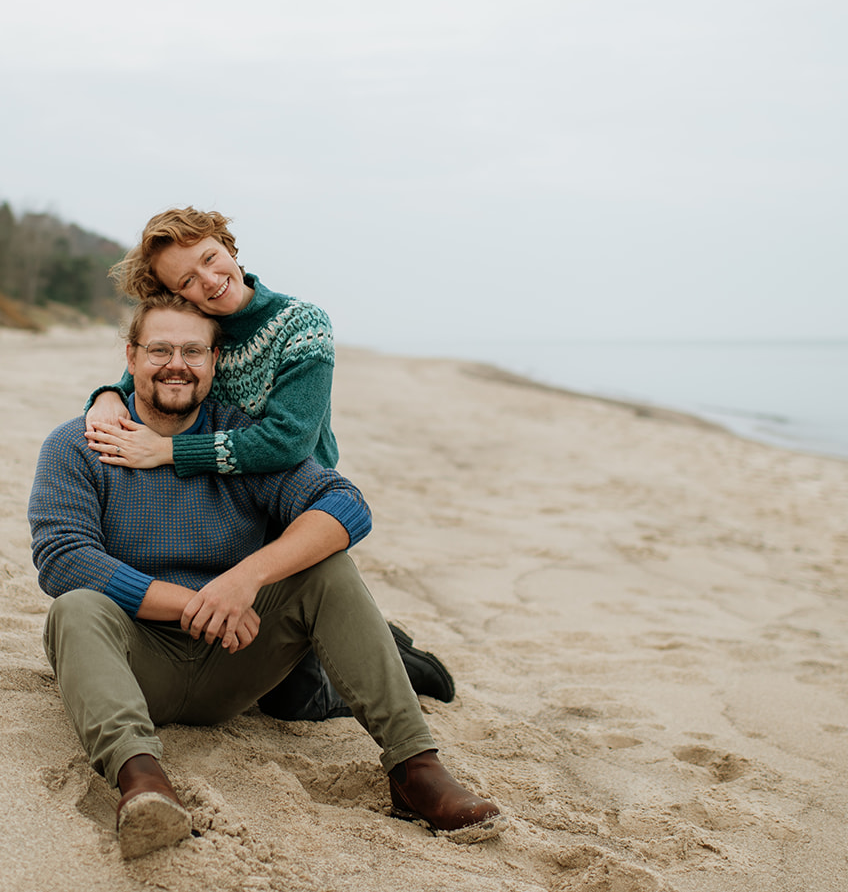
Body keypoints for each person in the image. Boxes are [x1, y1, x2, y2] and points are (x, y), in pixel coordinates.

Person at [30, 293, 505, 859]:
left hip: (238, 657)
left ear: (214, 361)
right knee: (75, 608)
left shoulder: (237, 445)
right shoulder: (77, 444)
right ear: (130, 357)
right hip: (136, 662)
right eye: (159, 349)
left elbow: (346, 506)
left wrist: (245, 578)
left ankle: (415, 770)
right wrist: (192, 604)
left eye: (192, 350)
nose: (175, 363)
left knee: (325, 567)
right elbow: (62, 557)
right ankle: (144, 784)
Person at [82, 207, 453, 721]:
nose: (210, 281)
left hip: (292, 511)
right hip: (229, 515)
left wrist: (171, 451)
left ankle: (403, 662)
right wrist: (103, 398)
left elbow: (288, 440)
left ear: (229, 247)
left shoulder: (300, 325)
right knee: (236, 650)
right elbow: (143, 382)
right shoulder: (201, 329)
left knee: (290, 702)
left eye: (212, 259)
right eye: (187, 280)